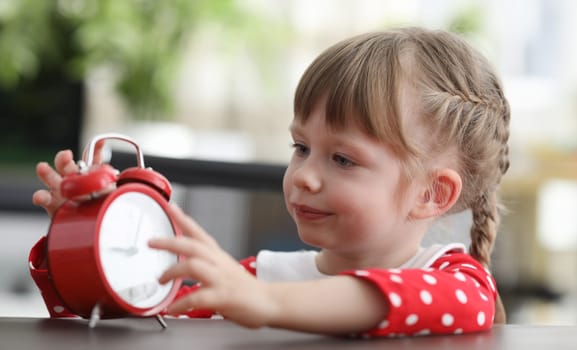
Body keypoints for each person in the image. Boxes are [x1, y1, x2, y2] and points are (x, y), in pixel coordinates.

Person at [30, 27, 510, 337]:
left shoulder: (456, 282)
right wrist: (78, 242)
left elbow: (437, 304)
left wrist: (264, 302)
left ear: (432, 193)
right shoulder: (259, 279)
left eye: (342, 159)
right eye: (300, 148)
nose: (303, 176)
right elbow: (116, 331)